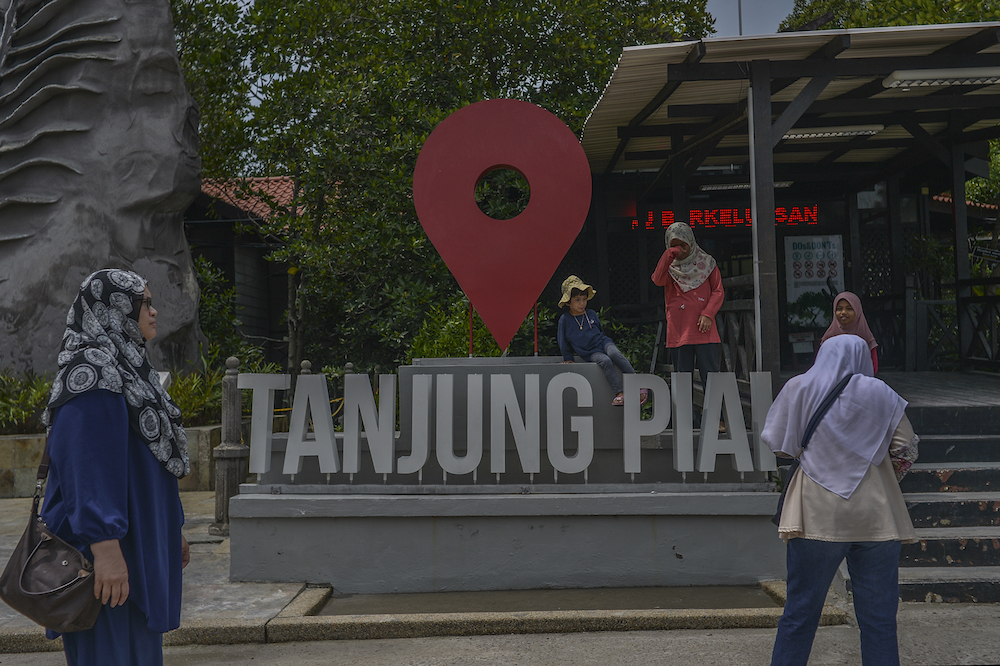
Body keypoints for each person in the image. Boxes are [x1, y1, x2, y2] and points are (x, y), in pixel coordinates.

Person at [39, 269, 190, 665]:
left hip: (137, 548)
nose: (154, 312)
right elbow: (84, 471)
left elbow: (153, 462)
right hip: (104, 559)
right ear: (115, 308)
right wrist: (105, 550)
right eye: (145, 304)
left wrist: (172, 528)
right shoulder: (92, 374)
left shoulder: (128, 368)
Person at [762, 334, 918, 666]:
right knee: (878, 622)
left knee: (800, 614)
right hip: (877, 517)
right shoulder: (881, 393)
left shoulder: (799, 387)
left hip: (816, 517)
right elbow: (906, 447)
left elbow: (779, 445)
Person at [651, 222, 725, 427]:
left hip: (704, 330)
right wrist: (669, 255)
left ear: (691, 243)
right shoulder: (670, 268)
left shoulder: (707, 263)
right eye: (674, 245)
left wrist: (708, 313)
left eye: (683, 245)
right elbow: (657, 279)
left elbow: (718, 290)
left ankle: (716, 420)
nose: (680, 250)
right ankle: (686, 420)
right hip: (679, 331)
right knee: (682, 378)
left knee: (710, 376)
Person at [557, 275, 645, 406]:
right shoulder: (565, 319)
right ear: (568, 302)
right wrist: (568, 357)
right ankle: (619, 393)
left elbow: (600, 332)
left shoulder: (591, 314)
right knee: (605, 361)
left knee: (615, 354)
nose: (582, 303)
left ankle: (638, 385)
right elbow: (562, 340)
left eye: (584, 299)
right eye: (577, 300)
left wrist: (606, 344)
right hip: (590, 352)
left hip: (603, 343)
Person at [820, 291, 879, 373]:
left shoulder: (866, 336)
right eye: (839, 309)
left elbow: (874, 367)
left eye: (849, 309)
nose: (843, 312)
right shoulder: (829, 337)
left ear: (857, 311)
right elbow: (821, 366)